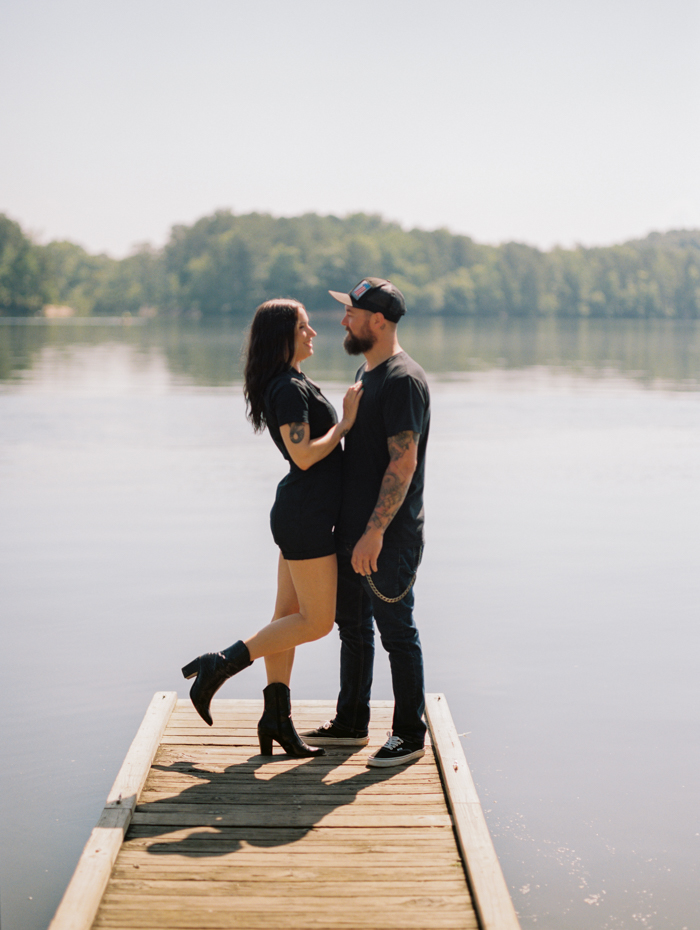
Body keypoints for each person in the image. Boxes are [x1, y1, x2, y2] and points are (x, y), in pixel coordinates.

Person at [182, 298, 363, 758]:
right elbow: (302, 455)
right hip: (307, 518)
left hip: (303, 512)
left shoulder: (293, 382)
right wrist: (343, 425)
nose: (314, 333)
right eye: (304, 326)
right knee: (318, 623)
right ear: (284, 334)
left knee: (287, 618)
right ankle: (220, 663)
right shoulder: (286, 388)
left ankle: (276, 719)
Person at [302, 277, 431, 768]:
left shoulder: (402, 380)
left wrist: (375, 531)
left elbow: (403, 463)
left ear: (378, 320)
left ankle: (408, 736)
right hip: (355, 532)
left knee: (398, 632)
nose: (343, 320)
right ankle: (352, 719)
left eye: (352, 313)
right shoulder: (368, 372)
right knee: (353, 628)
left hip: (387, 537)